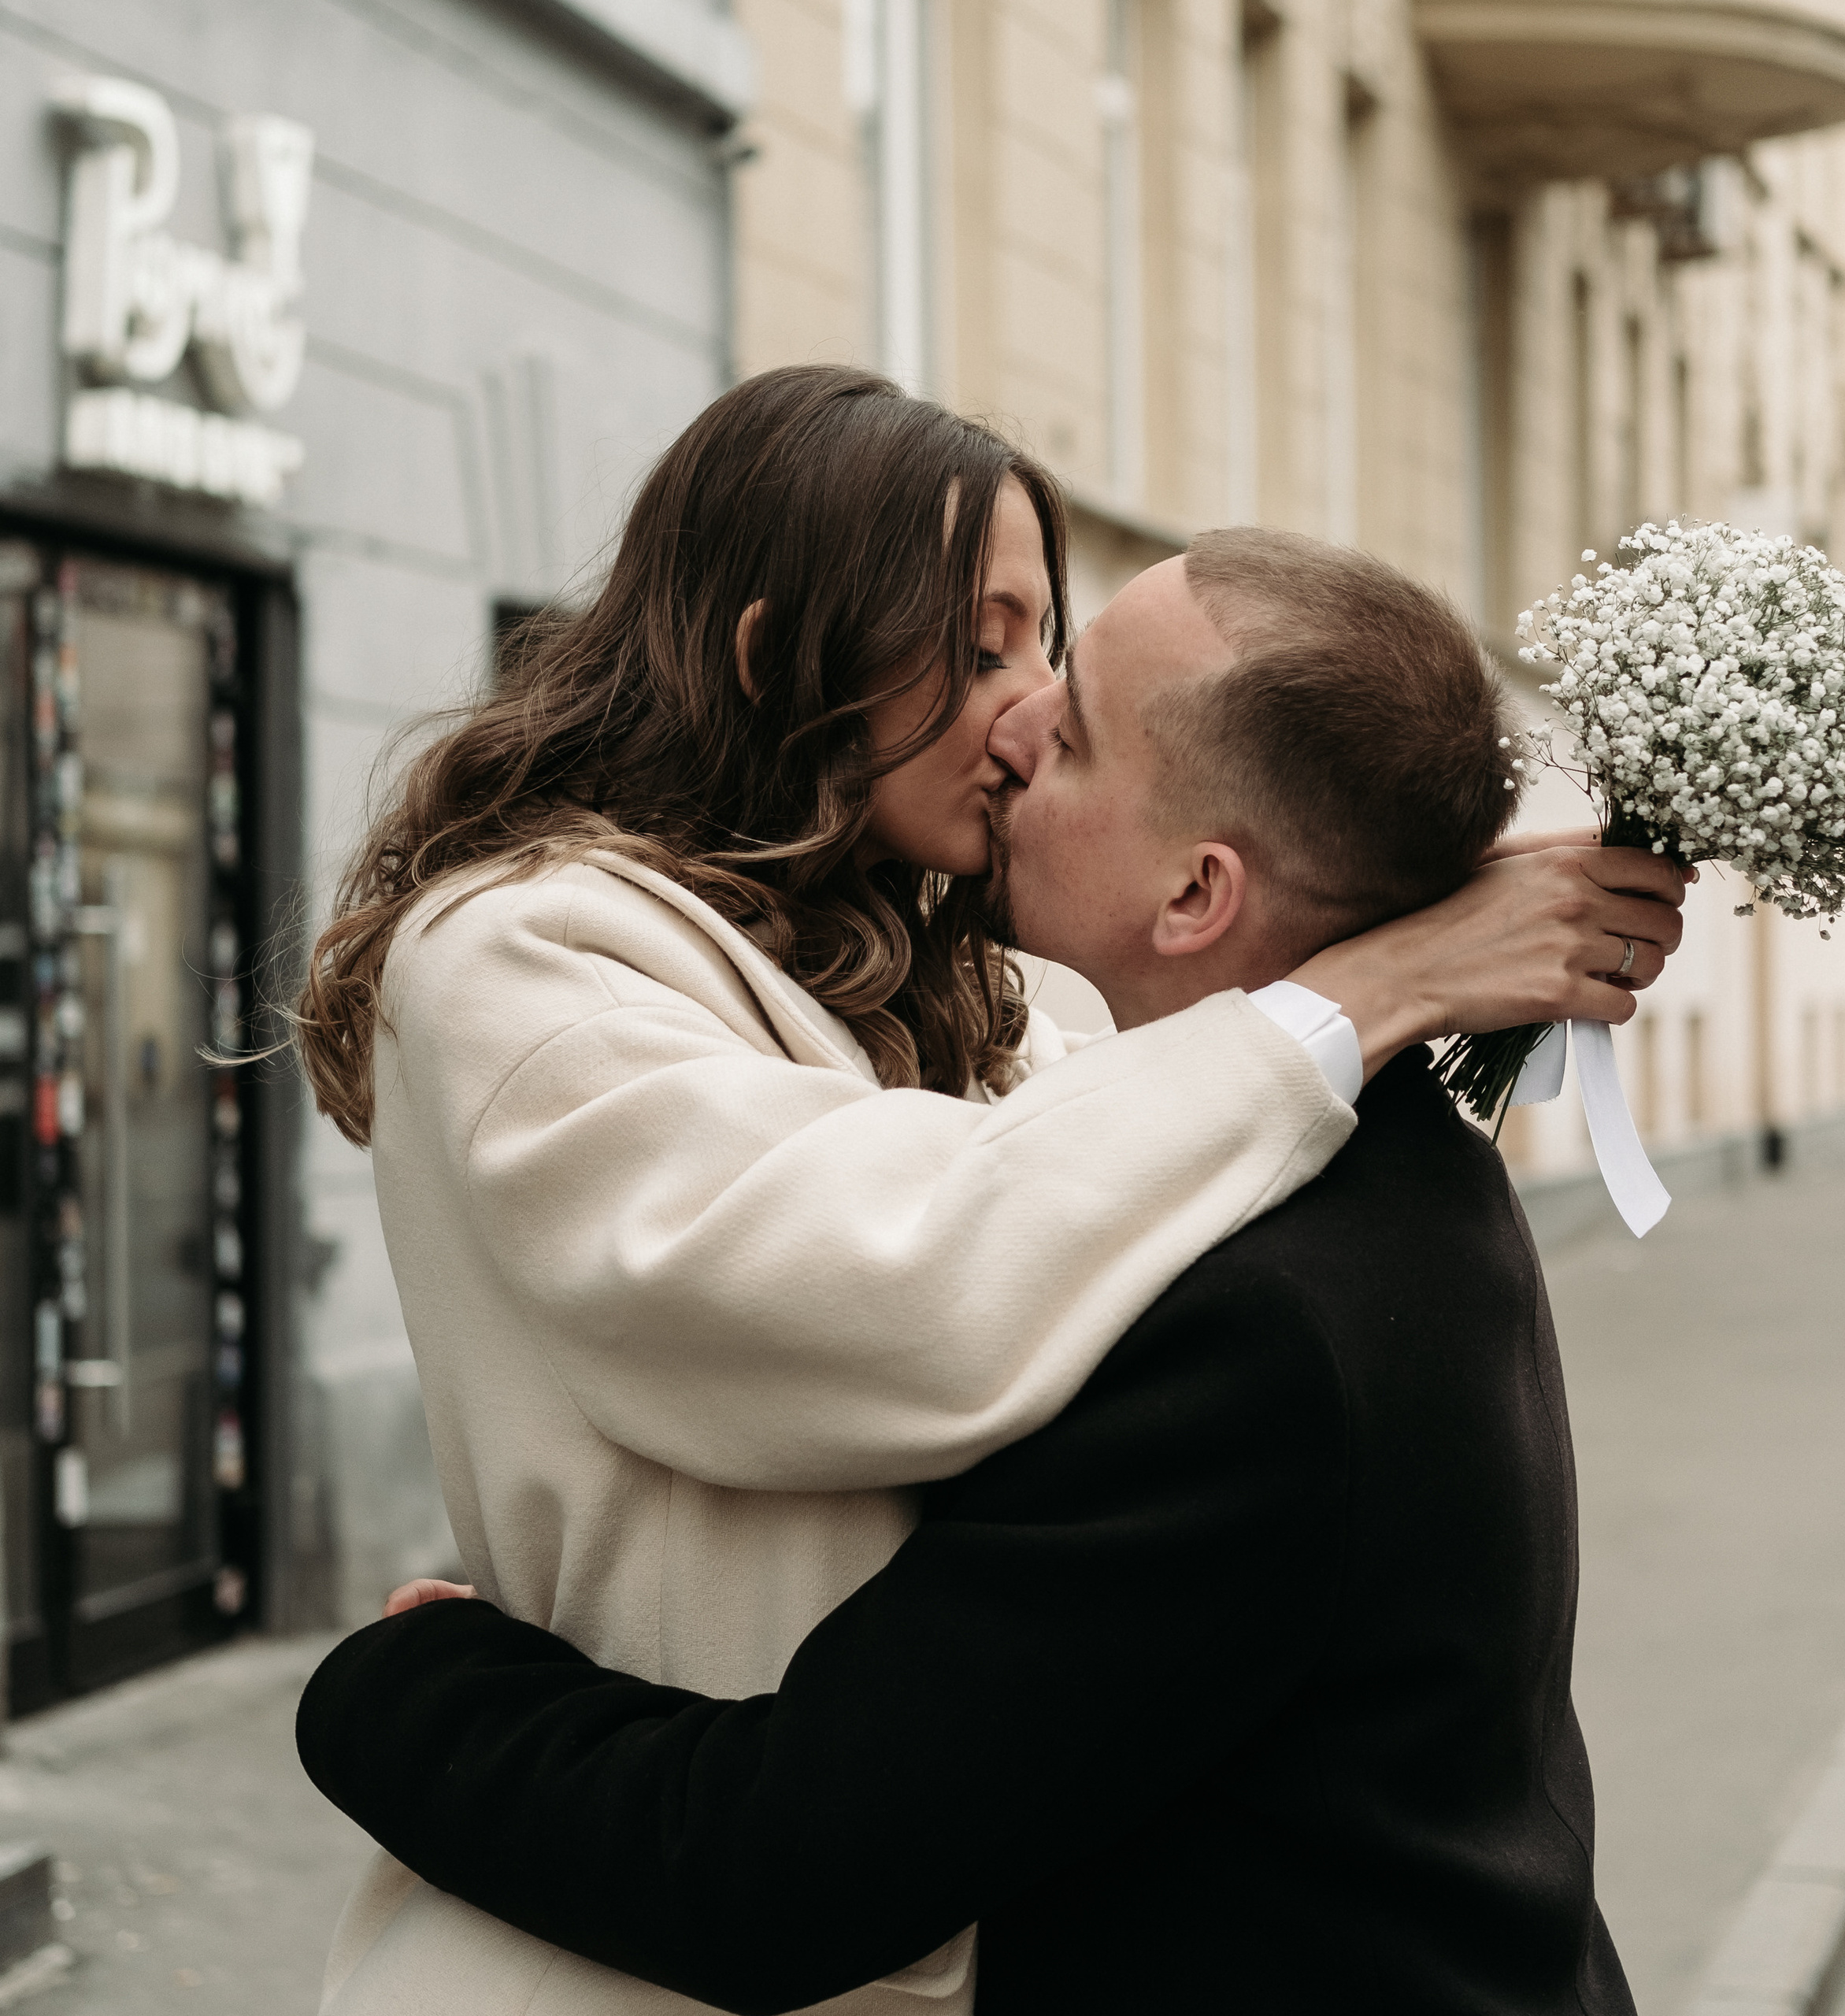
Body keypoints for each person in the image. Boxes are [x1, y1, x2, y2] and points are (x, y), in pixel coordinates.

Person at [295, 366, 1681, 2013]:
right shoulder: (529, 959)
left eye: (1049, 662)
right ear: (774, 661)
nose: (1023, 715)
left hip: (769, 1890)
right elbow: (904, 1285)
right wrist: (1373, 978)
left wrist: (413, 1694)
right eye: (981, 649)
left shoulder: (990, 1000)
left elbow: (1088, 1157)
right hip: (612, 1944)